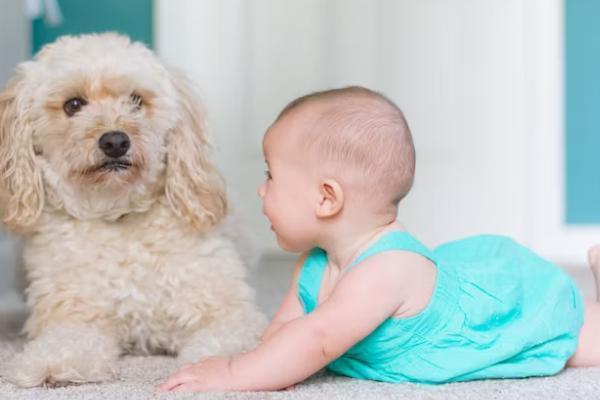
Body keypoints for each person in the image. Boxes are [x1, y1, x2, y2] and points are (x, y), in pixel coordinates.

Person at [159, 86, 600, 392]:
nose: (260, 189)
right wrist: (268, 365)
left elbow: (318, 340)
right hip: (440, 279)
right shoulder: (315, 263)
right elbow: (287, 333)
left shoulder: (386, 271)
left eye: (271, 175)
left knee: (576, 346)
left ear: (327, 198)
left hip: (489, 315)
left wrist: (235, 373)